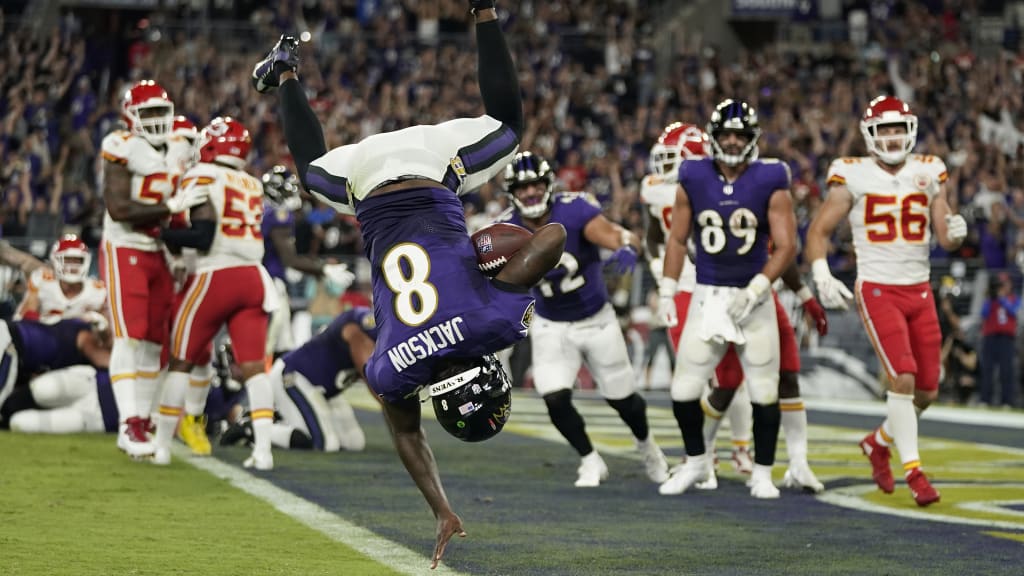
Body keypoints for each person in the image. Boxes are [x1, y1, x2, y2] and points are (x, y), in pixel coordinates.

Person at [252, 1, 565, 566]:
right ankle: (287, 74)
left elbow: (552, 237)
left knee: (511, 128)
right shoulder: (394, 368)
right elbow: (406, 436)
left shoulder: (493, 325)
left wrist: (484, 258)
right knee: (308, 172)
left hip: (434, 162)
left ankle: (483, 10)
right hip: (360, 180)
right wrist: (439, 508)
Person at [805, 95, 968, 507]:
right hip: (878, 287)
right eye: (884, 130)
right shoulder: (853, 175)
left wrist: (956, 232)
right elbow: (819, 232)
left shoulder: (929, 171)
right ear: (870, 134)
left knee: (928, 391)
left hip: (920, 288)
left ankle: (878, 443)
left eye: (899, 129)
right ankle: (914, 472)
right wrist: (822, 273)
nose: (893, 137)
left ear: (910, 130)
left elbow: (944, 235)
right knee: (904, 378)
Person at [499, 150, 669, 487]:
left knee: (624, 401)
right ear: (512, 193)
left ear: (548, 184)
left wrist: (625, 247)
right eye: (522, 188)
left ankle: (649, 447)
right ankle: (590, 459)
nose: (530, 193)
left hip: (596, 319)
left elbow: (622, 235)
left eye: (535, 185)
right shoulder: (505, 230)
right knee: (554, 396)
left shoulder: (574, 210)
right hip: (551, 324)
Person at [656, 99, 797, 499]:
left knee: (763, 390)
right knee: (684, 390)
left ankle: (764, 472)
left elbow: (786, 246)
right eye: (725, 135)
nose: (732, 141)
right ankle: (697, 462)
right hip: (708, 294)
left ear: (752, 139)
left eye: (739, 135)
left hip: (753, 298)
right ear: (714, 138)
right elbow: (678, 239)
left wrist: (757, 287)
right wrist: (668, 288)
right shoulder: (695, 174)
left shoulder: (771, 177)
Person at [150, 117, 277, 470]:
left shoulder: (203, 174)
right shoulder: (252, 182)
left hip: (214, 275)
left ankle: (160, 445)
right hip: (253, 276)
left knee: (181, 361)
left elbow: (203, 236)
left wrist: (160, 234)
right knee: (254, 369)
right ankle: (264, 451)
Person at [99, 79, 208, 458]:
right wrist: (171, 208)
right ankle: (128, 422)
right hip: (125, 246)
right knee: (129, 337)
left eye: (161, 111)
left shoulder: (181, 144)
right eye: (147, 113)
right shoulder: (121, 145)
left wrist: (178, 251)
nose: (157, 120)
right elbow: (120, 209)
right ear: (131, 117)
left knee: (153, 342)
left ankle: (141, 421)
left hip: (159, 250)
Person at [642, 121, 754, 477]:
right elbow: (654, 237)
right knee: (696, 375)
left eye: (672, 159)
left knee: (729, 377)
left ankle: (738, 448)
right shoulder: (662, 190)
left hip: (719, 285)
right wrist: (662, 271)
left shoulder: (717, 184)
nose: (662, 168)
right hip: (685, 288)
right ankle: (706, 451)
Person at [223, 306, 377, 452]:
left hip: (325, 390)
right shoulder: (360, 328)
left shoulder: (376, 330)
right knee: (324, 443)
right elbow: (375, 382)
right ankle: (253, 428)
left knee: (353, 443)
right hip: (293, 377)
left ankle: (281, 420)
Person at [261, 164, 355, 358]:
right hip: (269, 284)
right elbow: (290, 259)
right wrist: (324, 270)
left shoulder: (264, 213)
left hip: (268, 280)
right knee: (267, 344)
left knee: (282, 342)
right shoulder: (278, 216)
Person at [0, 317, 111, 427]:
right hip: (9, 341)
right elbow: (100, 358)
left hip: (10, 339)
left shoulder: (65, 330)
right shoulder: (82, 332)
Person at [15, 234, 107, 324]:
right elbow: (25, 318)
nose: (72, 266)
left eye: (77, 260)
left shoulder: (97, 290)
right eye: (67, 259)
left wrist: (98, 320)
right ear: (55, 260)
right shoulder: (43, 280)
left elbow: (108, 327)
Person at [979, 272, 1019, 408]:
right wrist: (991, 298)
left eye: (1004, 284)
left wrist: (1002, 299)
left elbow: (1014, 312)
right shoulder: (990, 299)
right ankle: (985, 399)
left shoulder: (1014, 298)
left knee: (1006, 370)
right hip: (990, 337)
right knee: (987, 369)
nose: (1002, 287)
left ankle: (1007, 401)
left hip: (1006, 338)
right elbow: (983, 313)